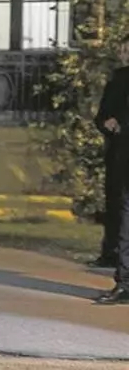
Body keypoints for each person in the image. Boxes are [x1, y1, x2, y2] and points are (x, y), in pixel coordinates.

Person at [94, 64, 129, 305]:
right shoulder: (121, 78)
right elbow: (103, 115)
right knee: (126, 223)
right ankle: (125, 283)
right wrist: (107, 123)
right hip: (124, 160)